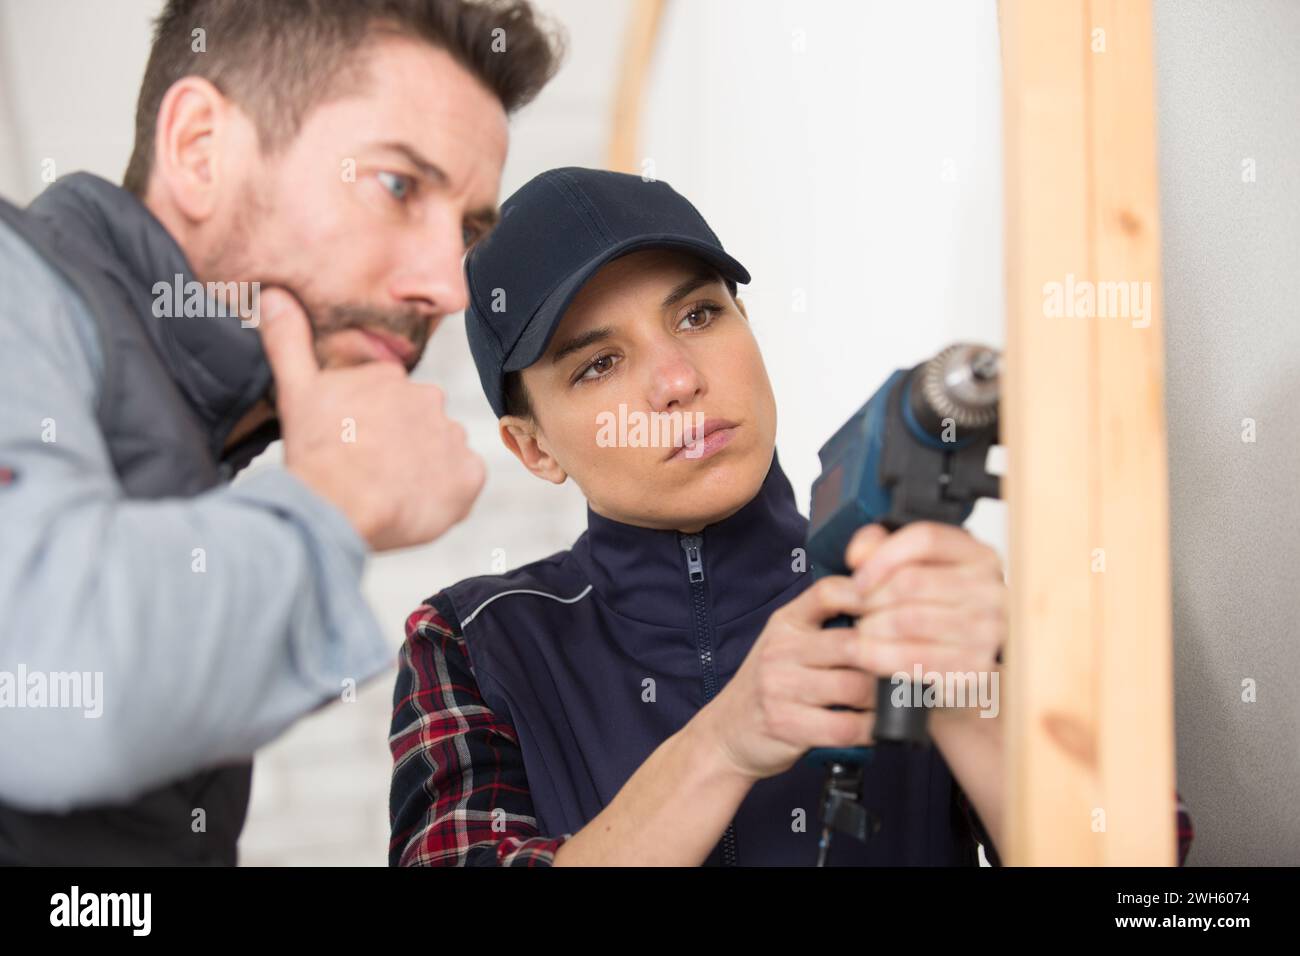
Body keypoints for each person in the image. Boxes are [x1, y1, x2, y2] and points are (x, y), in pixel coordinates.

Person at [0, 0, 562, 865]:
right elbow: (35, 692)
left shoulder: (202, 435)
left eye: (468, 232)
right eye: (399, 186)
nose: (449, 289)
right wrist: (336, 498)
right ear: (199, 148)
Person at [390, 167, 1016, 866]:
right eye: (599, 363)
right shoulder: (471, 644)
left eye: (698, 316)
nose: (679, 381)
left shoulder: (931, 594)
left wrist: (977, 694)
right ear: (532, 448)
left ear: (746, 323)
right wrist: (720, 746)